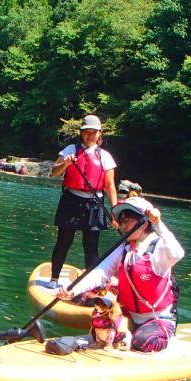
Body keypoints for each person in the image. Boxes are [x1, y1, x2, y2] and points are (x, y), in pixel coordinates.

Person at [57, 196, 184, 353]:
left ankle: (156, 338)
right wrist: (73, 290)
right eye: (121, 221)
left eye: (127, 220)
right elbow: (100, 272)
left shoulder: (159, 248)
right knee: (101, 322)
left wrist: (158, 224)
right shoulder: (124, 248)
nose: (123, 225)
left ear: (143, 223)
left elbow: (178, 254)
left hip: (158, 319)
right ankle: (114, 337)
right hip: (130, 316)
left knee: (143, 342)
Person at [45, 115, 118, 288]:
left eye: (94, 132)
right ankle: (54, 279)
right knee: (64, 240)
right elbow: (54, 173)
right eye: (87, 132)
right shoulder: (70, 150)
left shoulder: (105, 156)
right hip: (71, 199)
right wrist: (66, 164)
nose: (90, 136)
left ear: (100, 133)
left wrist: (115, 211)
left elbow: (110, 186)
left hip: (94, 204)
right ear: (81, 133)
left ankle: (91, 285)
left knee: (91, 246)